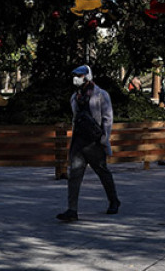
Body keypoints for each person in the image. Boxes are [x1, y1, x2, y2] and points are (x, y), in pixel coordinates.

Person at [57, 65, 119, 222]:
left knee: (102, 172)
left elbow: (107, 118)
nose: (76, 78)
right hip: (78, 141)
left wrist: (104, 138)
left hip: (94, 142)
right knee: (74, 176)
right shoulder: (75, 97)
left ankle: (114, 200)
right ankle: (72, 210)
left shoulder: (101, 95)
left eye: (80, 75)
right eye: (75, 75)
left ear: (88, 76)